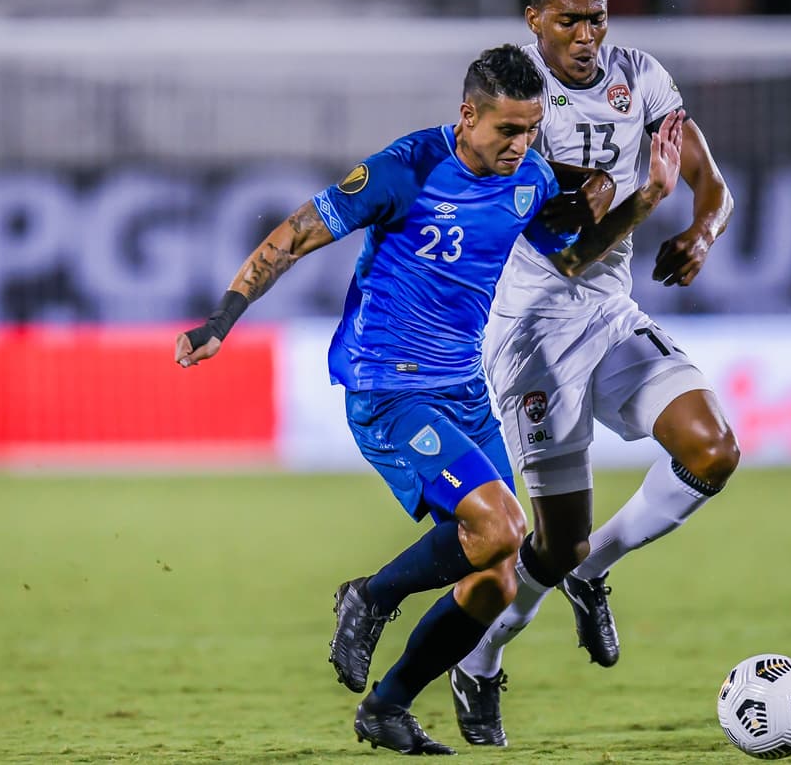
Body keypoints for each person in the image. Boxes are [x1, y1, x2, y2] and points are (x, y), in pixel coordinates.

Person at [174, 43, 683, 754]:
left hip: (463, 390)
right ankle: (371, 596)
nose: (522, 145)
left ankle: (388, 704)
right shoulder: (407, 168)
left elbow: (570, 260)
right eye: (508, 129)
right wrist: (223, 318)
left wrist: (647, 198)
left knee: (499, 576)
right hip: (389, 387)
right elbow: (293, 236)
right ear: (467, 115)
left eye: (532, 129)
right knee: (505, 528)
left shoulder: (530, 178)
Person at [448, 0, 739, 747]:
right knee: (551, 541)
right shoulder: (515, 114)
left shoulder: (641, 80)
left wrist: (700, 231)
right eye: (569, 21)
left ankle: (592, 568)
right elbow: (570, 251)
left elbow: (711, 181)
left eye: (598, 19)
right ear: (534, 21)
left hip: (609, 315)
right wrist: (645, 199)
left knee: (712, 449)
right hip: (532, 335)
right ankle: (478, 658)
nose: (586, 36)